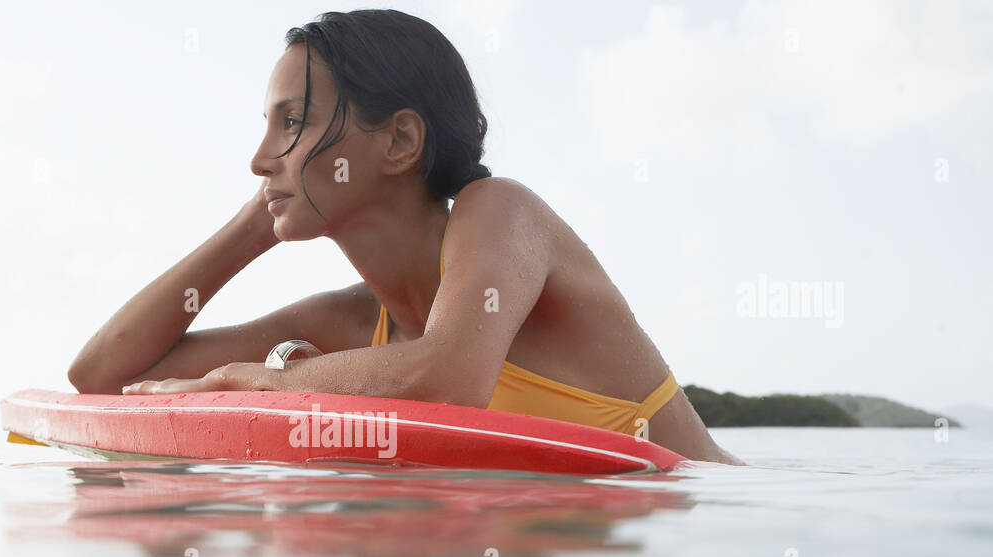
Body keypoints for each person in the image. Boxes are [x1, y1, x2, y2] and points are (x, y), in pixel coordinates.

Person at [68, 10, 743, 465]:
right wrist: (255, 224)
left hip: (718, 549)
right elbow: (102, 379)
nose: (259, 156)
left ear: (399, 140)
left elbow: (449, 382)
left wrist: (251, 380)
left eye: (293, 123)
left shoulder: (504, 213)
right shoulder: (354, 324)